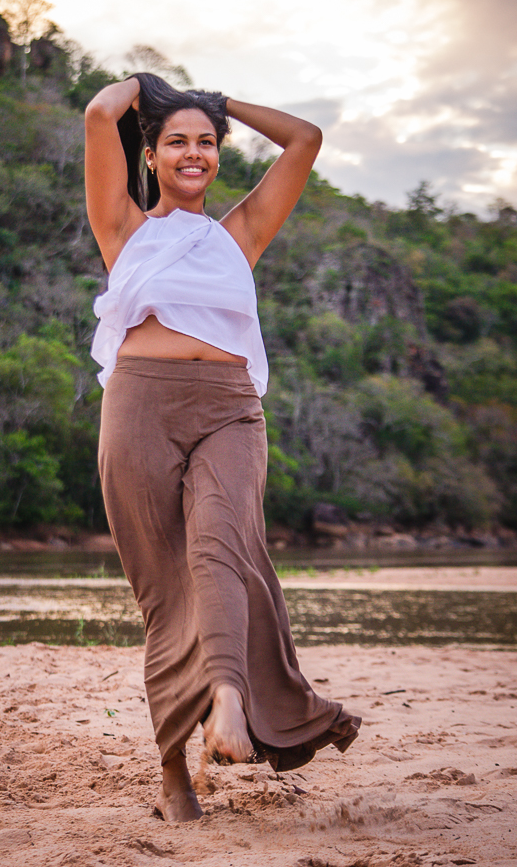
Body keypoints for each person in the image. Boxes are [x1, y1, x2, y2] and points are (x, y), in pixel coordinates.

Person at [85, 73, 361, 822]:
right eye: (177, 140)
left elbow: (305, 139)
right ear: (152, 154)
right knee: (163, 592)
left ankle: (231, 704)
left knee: (221, 549)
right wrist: (145, 86)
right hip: (140, 404)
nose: (194, 152)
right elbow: (98, 112)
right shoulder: (125, 226)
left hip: (231, 409)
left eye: (205, 143)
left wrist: (218, 102)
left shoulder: (239, 233)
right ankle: (174, 774)